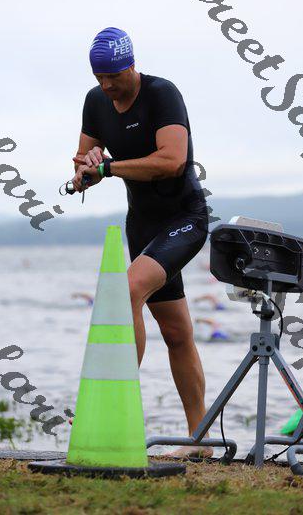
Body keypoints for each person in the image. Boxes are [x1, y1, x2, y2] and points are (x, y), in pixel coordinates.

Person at [71, 27, 210, 457]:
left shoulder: (162, 94)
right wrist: (87, 169)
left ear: (131, 65)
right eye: (99, 77)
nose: (106, 85)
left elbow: (172, 161)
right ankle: (201, 440)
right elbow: (83, 169)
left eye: (113, 75)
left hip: (184, 218)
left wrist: (109, 168)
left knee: (127, 289)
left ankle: (109, 402)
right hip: (143, 227)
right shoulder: (96, 102)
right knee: (177, 333)